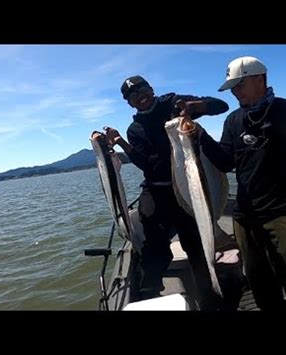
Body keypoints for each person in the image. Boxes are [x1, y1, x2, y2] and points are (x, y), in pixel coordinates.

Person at [197, 56, 286, 311]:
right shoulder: (233, 120)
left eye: (239, 85)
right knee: (259, 280)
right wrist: (200, 137)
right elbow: (225, 162)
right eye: (232, 88)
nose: (235, 92)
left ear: (260, 79)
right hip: (246, 216)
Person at [104, 75, 233, 310]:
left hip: (188, 187)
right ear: (129, 103)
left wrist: (196, 107)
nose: (140, 96)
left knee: (195, 247)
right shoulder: (135, 129)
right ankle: (149, 295)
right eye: (132, 95)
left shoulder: (175, 103)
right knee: (154, 250)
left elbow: (221, 106)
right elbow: (147, 164)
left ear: (151, 88)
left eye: (142, 90)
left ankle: (210, 298)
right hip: (157, 190)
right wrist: (121, 142)